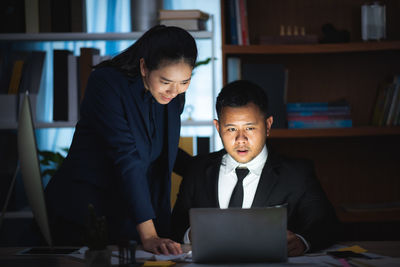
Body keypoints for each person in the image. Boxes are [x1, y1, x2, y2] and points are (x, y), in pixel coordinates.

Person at [44, 25, 197, 255]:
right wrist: (150, 235)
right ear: (144, 67)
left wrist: (206, 168)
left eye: (185, 81)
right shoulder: (106, 84)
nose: (175, 91)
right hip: (85, 213)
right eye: (166, 81)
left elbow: (161, 150)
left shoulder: (171, 96)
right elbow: (127, 157)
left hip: (129, 215)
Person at [171, 80, 339, 256]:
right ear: (218, 127)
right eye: (231, 129)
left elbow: (326, 224)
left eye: (250, 128)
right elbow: (175, 226)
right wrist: (190, 235)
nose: (241, 139)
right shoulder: (197, 169)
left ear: (267, 126)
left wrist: (302, 241)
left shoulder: (297, 173)